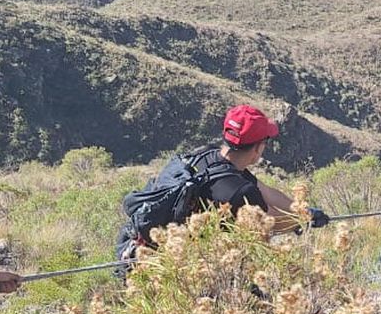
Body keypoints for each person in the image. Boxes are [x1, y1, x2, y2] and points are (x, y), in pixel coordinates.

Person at [115, 104, 327, 263]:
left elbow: (267, 191)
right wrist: (304, 221)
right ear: (258, 148)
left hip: (139, 247)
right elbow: (271, 222)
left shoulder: (207, 158)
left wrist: (302, 211)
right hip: (174, 268)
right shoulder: (240, 192)